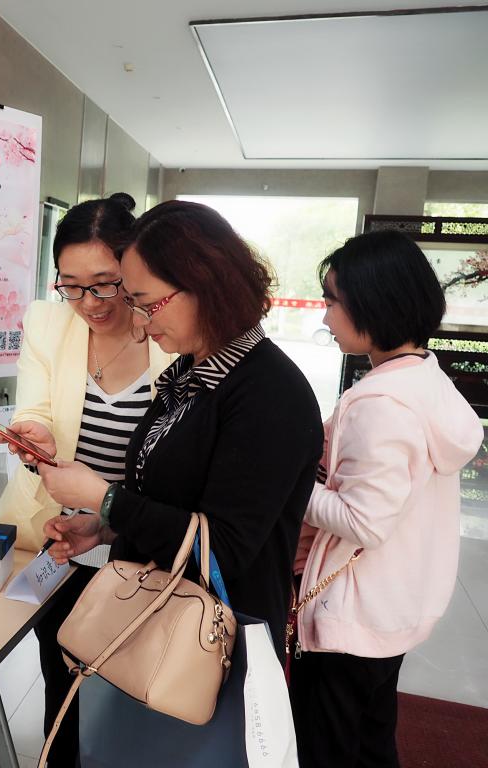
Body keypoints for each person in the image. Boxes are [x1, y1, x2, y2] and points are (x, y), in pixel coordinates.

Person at [35, 200, 322, 720]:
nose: (142, 325)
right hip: (151, 622)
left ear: (204, 284)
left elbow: (222, 551)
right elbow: (170, 499)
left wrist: (105, 498)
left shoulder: (269, 393)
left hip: (209, 647)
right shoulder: (191, 374)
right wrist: (104, 527)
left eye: (146, 304)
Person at [0, 193, 172, 767]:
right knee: (61, 678)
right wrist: (35, 436)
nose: (89, 303)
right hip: (60, 537)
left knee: (134, 685)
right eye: (71, 286)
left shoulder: (166, 331)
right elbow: (35, 408)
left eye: (105, 284)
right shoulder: (48, 321)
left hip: (138, 542)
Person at [289, 230, 482, 768]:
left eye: (332, 300)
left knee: (327, 747)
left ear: (373, 305)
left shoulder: (379, 404)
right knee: (371, 740)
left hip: (352, 612)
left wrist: (290, 487)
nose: (325, 315)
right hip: (394, 604)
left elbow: (364, 522)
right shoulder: (425, 378)